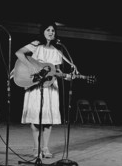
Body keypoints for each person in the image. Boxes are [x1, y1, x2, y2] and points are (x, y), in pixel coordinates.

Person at [13, 21, 78, 158]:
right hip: (36, 86)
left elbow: (57, 71)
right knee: (36, 118)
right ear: (43, 32)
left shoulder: (57, 51)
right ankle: (36, 149)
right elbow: (19, 53)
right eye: (48, 30)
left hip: (51, 87)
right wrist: (32, 67)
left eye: (53, 30)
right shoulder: (36, 45)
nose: (51, 32)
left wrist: (66, 77)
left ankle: (45, 148)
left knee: (48, 119)